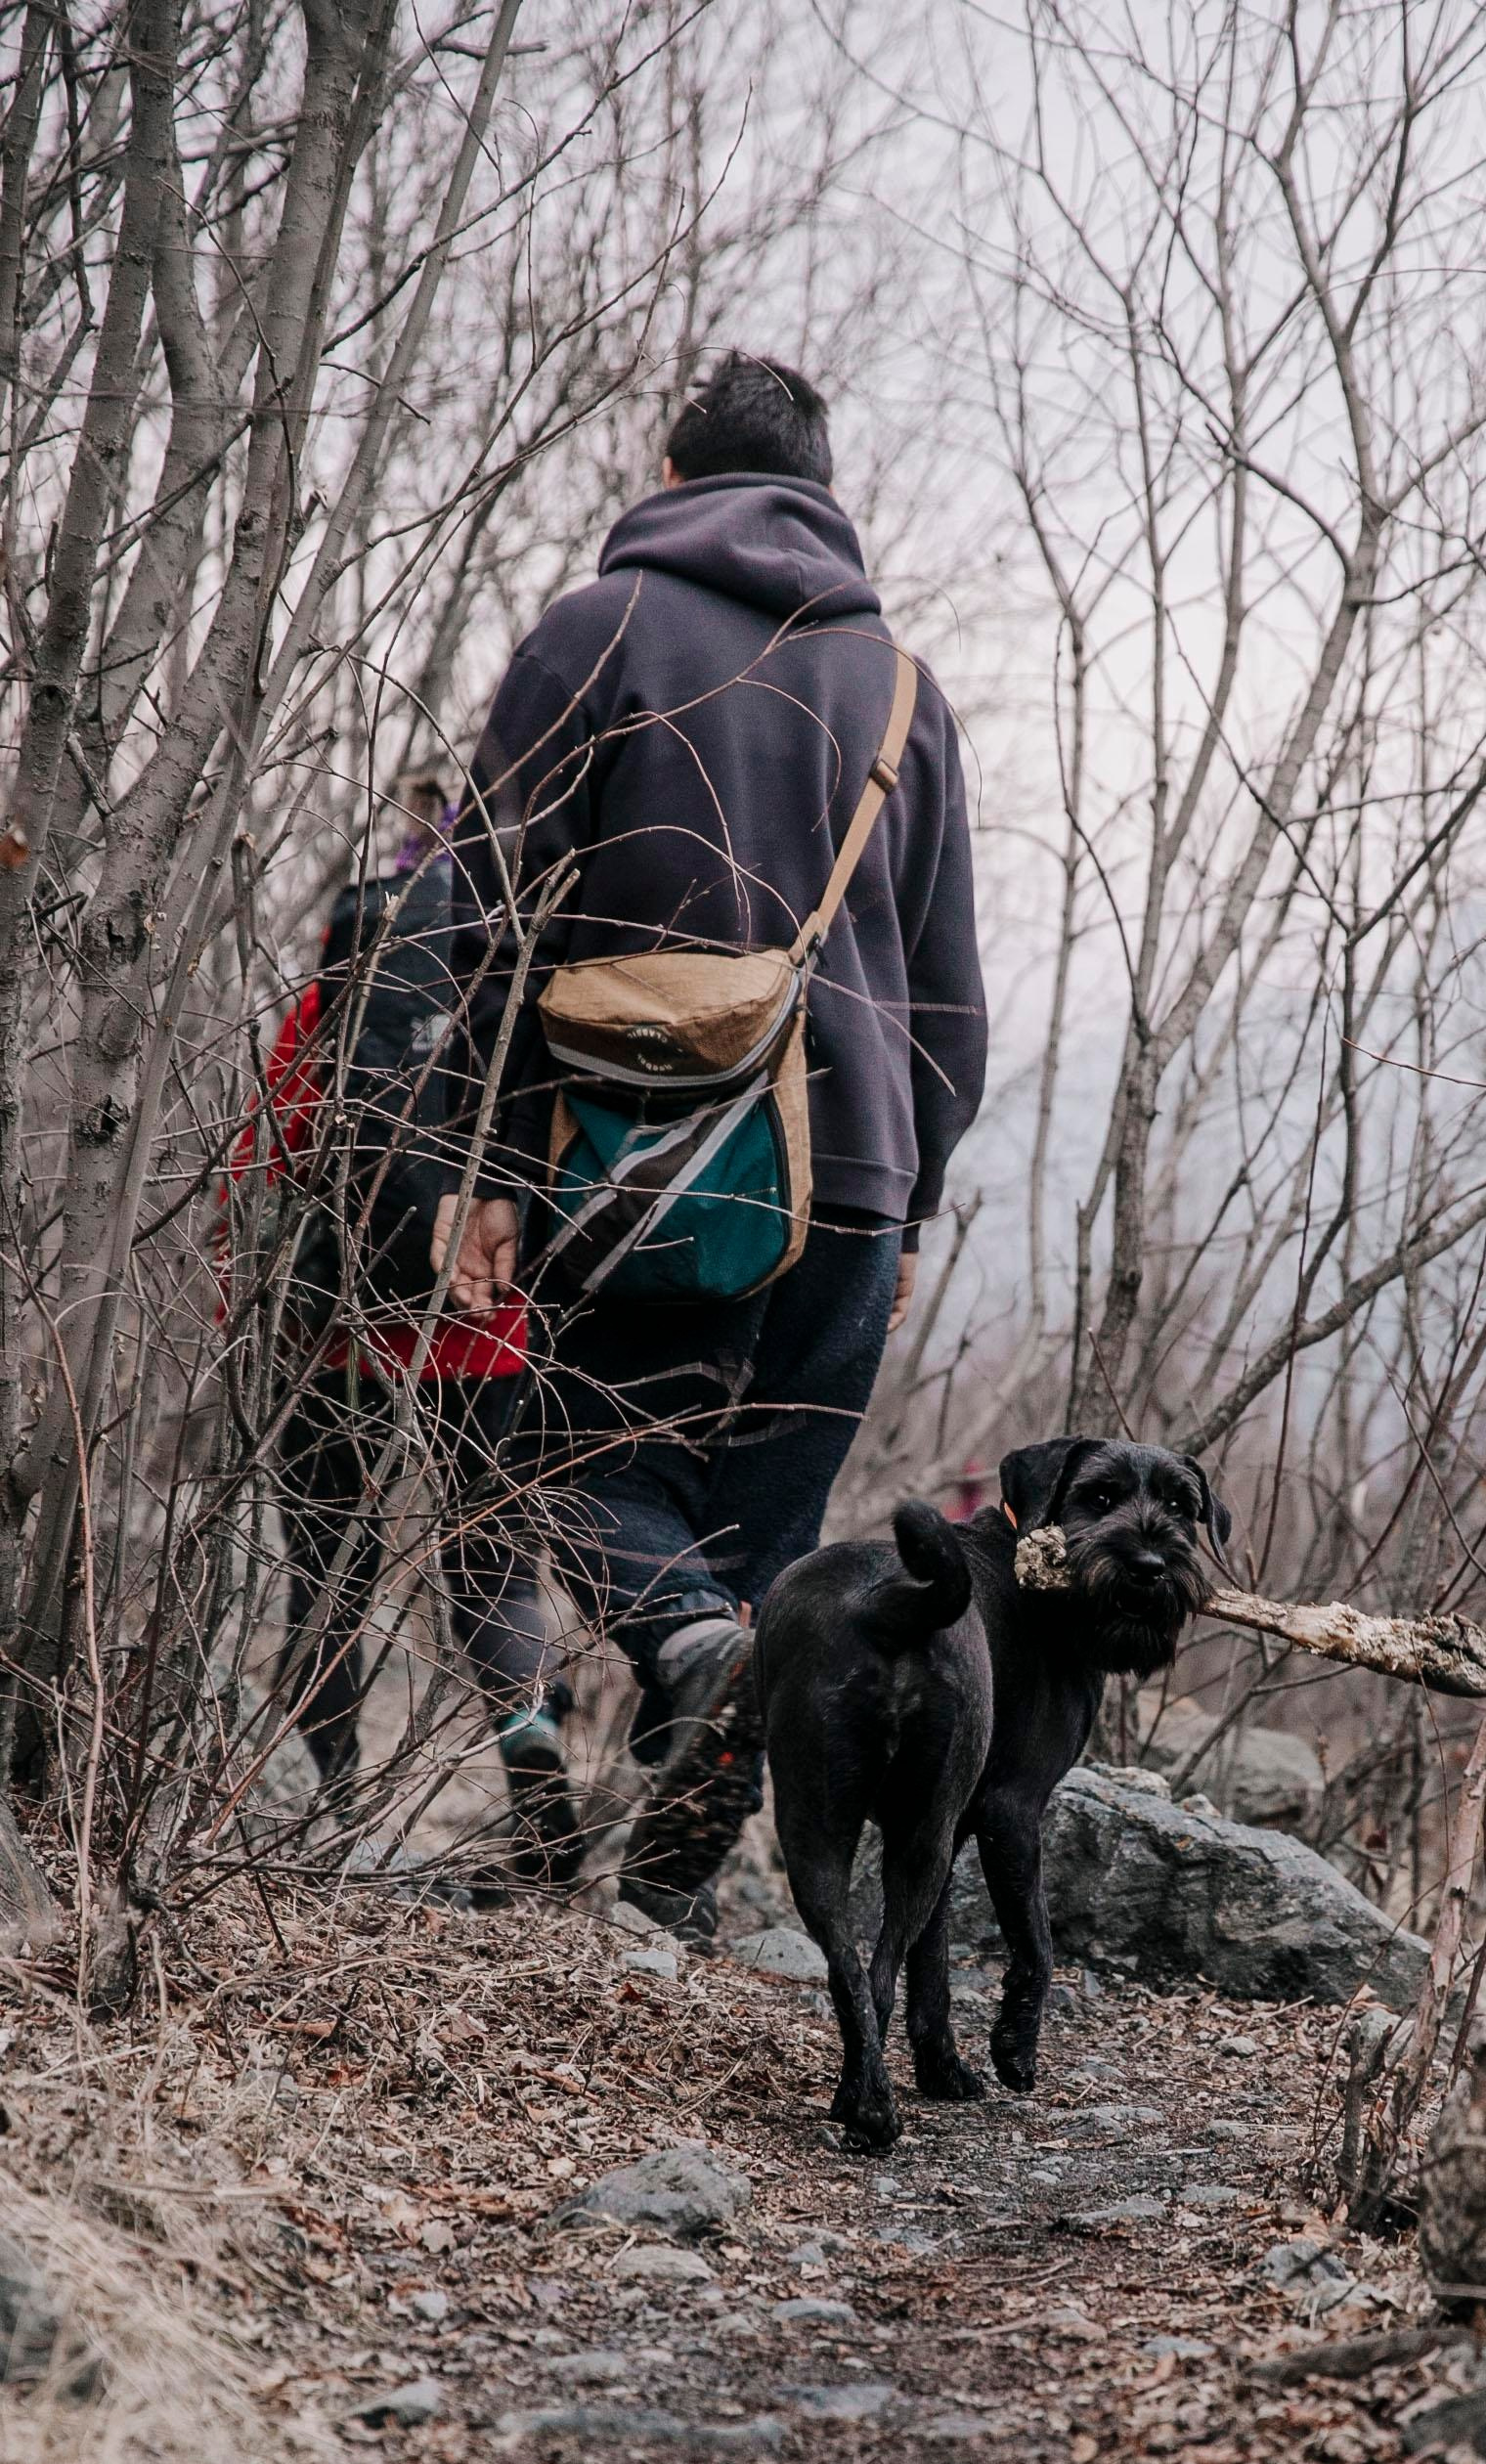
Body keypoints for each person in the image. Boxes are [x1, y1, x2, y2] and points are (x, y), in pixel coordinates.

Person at [431, 353, 985, 1937]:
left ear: (673, 475)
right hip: (850, 1175)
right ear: (823, 494)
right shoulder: (901, 690)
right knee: (766, 1551)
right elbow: (948, 994)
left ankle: (683, 1709)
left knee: (557, 1460)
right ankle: (669, 1904)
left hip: (632, 1155)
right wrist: (906, 1203)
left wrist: (482, 1164)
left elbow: (488, 913)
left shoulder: (597, 628)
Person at [240, 772, 581, 1896]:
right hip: (489, 1322)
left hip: (338, 1322)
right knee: (491, 1570)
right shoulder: (533, 959)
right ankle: (538, 1785)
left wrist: (252, 1297)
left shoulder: (352, 954)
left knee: (326, 1571)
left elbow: (278, 1132)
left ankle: (329, 1813)